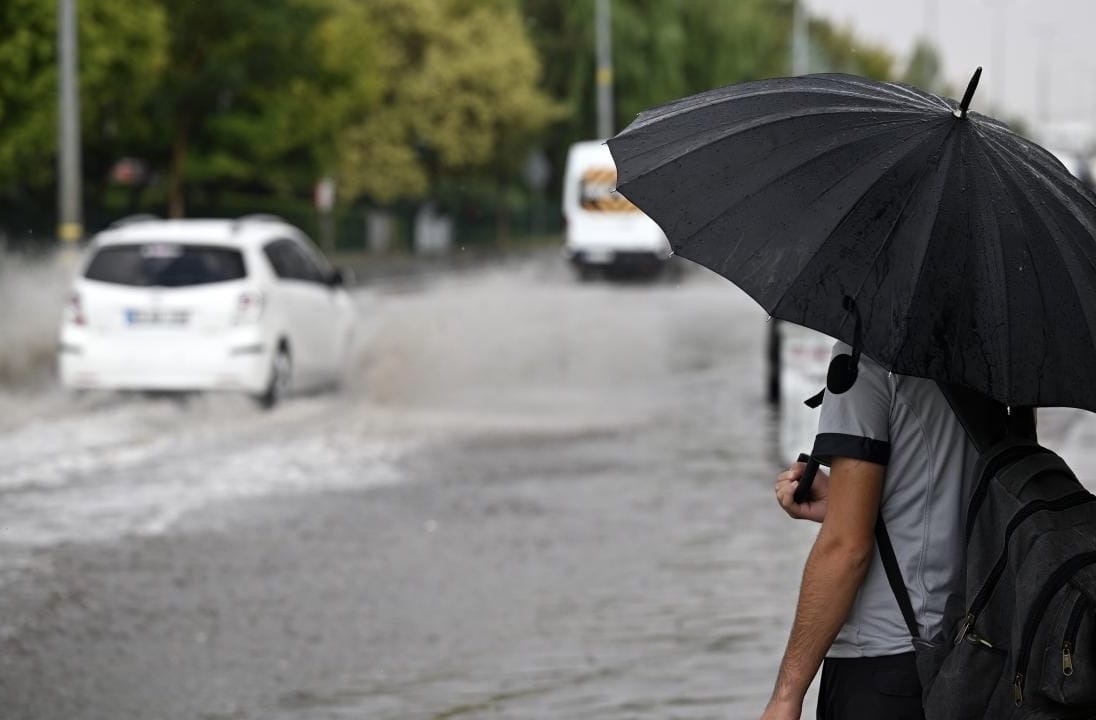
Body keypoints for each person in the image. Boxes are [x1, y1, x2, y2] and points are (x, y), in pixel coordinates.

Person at [759, 342, 978, 720]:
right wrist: (843, 503)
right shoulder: (991, 360)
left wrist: (786, 696)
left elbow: (846, 549)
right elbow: (954, 497)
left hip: (882, 666)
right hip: (973, 655)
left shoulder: (865, 358)